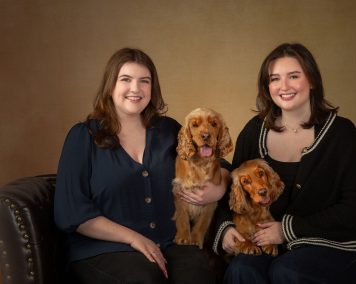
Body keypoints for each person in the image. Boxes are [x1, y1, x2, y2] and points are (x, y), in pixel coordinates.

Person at [54, 47, 229, 284]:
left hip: (170, 242)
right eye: (125, 79)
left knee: (197, 275)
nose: (135, 89)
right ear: (110, 86)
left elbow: (217, 161)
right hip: (105, 248)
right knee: (144, 279)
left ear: (152, 89)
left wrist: (219, 187)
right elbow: (71, 212)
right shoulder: (83, 137)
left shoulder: (168, 130)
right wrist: (133, 238)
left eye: (144, 81)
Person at [211, 43, 356, 284]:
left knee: (288, 272)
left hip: (336, 245)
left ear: (312, 81)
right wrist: (224, 228)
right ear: (267, 87)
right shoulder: (254, 131)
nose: (283, 87)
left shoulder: (342, 135)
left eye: (294, 76)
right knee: (242, 269)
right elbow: (233, 195)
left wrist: (287, 230)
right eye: (275, 79)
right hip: (267, 241)